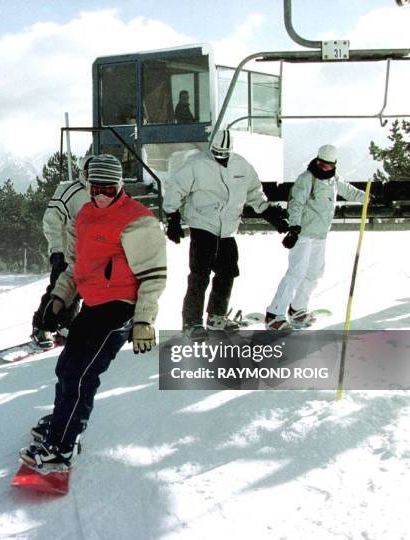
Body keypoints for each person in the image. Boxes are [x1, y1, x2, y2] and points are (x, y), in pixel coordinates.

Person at [20, 154, 167, 469]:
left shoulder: (137, 220)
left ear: (120, 186)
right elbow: (75, 267)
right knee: (66, 368)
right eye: (96, 188)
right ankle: (63, 420)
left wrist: (143, 321)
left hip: (120, 308)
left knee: (81, 373)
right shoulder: (84, 216)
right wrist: (57, 300)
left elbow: (153, 276)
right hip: (93, 305)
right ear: (88, 186)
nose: (101, 196)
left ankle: (62, 444)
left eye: (109, 190)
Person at [163, 129, 289, 338]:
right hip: (203, 224)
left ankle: (216, 316)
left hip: (228, 229)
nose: (220, 157)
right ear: (211, 148)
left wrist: (270, 214)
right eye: (216, 153)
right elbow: (175, 188)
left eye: (224, 154)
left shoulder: (242, 166)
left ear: (231, 151)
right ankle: (191, 322)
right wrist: (172, 217)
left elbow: (254, 194)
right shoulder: (196, 164)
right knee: (199, 275)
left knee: (228, 272)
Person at [265, 144, 367, 330]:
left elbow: (349, 191)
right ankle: (274, 314)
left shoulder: (334, 180)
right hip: (303, 234)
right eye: (321, 164)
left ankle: (297, 308)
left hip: (320, 234)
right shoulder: (306, 179)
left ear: (334, 165)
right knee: (296, 272)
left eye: (328, 165)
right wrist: (294, 228)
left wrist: (366, 197)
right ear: (316, 160)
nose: (323, 168)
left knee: (314, 273)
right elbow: (295, 204)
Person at [30, 155, 93, 347]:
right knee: (58, 289)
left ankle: (66, 325)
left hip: (90, 254)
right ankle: (42, 327)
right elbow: (51, 219)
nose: (92, 176)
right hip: (67, 252)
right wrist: (56, 249)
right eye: (88, 171)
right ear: (83, 171)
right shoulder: (70, 191)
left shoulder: (104, 192)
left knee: (81, 291)